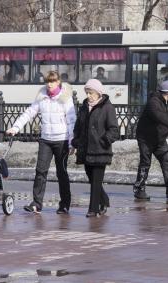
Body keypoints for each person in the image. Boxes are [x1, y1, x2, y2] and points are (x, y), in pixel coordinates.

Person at [6, 71, 76, 213]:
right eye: (47, 81)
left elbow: (71, 121)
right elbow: (29, 112)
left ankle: (64, 204)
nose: (49, 84)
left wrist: (71, 142)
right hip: (46, 139)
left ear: (58, 83)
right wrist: (16, 127)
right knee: (40, 171)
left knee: (61, 173)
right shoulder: (42, 96)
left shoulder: (65, 98)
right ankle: (36, 203)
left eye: (52, 82)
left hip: (61, 140)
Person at [71, 79, 119, 217]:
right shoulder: (84, 106)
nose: (89, 96)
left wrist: (104, 141)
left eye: (91, 93)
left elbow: (114, 130)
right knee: (92, 179)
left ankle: (93, 209)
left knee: (96, 181)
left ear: (98, 93)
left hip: (100, 151)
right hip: (86, 150)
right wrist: (76, 140)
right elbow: (79, 126)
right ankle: (104, 200)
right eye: (87, 93)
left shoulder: (107, 107)